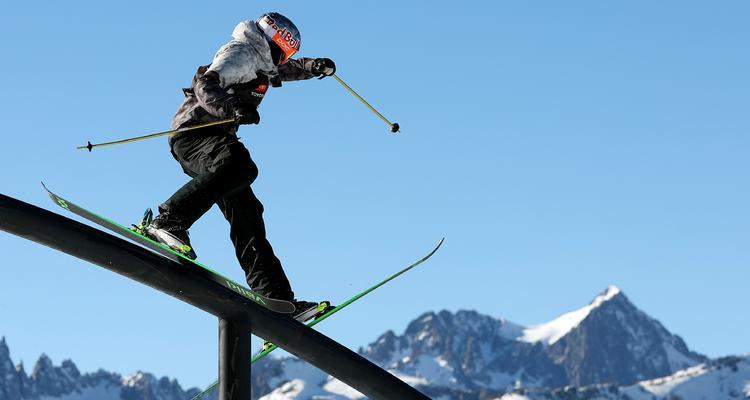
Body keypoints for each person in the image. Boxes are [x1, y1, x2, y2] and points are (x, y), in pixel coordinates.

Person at [145, 12, 336, 321]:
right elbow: (206, 85)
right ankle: (169, 221)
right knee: (241, 167)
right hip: (197, 133)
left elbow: (281, 71)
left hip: (213, 139)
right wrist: (231, 107)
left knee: (247, 211)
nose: (286, 57)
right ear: (273, 42)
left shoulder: (261, 60)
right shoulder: (241, 52)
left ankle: (275, 300)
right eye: (286, 50)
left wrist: (313, 67)